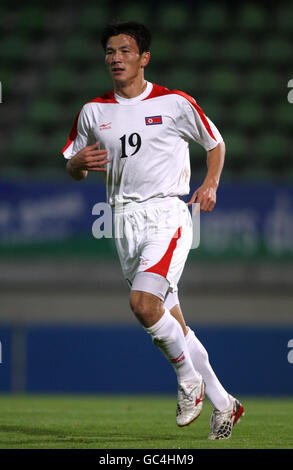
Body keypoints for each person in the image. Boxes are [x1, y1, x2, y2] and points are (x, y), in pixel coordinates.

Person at [62, 21, 244, 440]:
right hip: (122, 222)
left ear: (144, 57)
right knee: (173, 323)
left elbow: (215, 143)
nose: (116, 58)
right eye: (110, 51)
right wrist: (76, 166)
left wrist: (210, 182)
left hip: (166, 215)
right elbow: (72, 166)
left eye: (125, 51)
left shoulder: (175, 102)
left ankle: (187, 381)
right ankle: (225, 404)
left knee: (143, 304)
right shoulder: (93, 111)